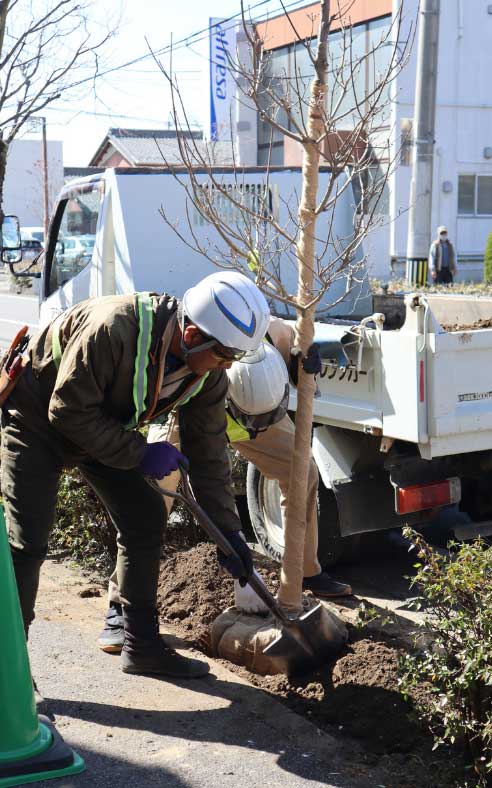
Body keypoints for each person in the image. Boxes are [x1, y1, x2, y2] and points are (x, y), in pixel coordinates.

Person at [0, 271, 270, 679]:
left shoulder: (208, 372)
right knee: (28, 542)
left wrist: (228, 533)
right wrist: (140, 453)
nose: (227, 366)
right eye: (224, 356)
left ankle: (141, 646)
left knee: (145, 515)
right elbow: (67, 412)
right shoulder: (113, 329)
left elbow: (209, 453)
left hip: (103, 424)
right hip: (37, 419)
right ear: (192, 335)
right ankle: (10, 675)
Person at [98, 332, 351, 654]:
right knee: (152, 501)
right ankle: (121, 604)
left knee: (301, 472)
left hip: (255, 409)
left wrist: (300, 362)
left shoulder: (272, 334)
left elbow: (294, 344)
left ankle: (306, 572)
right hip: (186, 409)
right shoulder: (195, 367)